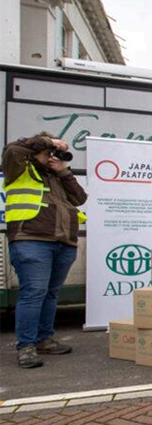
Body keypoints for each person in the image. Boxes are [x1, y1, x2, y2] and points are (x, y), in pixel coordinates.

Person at [2, 132, 87, 369]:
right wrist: (49, 142)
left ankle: (44, 339)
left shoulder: (57, 175)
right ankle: (26, 347)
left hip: (63, 242)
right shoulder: (18, 167)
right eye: (48, 151)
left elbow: (80, 198)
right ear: (35, 150)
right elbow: (13, 150)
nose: (51, 155)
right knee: (34, 292)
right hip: (31, 239)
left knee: (51, 293)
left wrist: (62, 170)